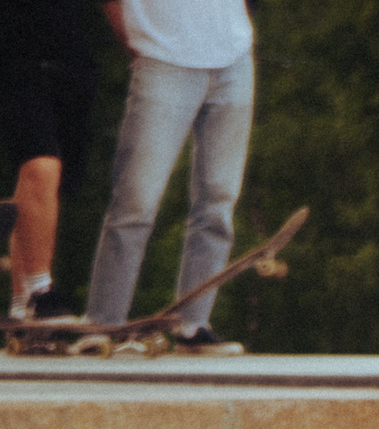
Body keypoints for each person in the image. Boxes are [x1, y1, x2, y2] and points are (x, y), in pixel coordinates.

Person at [84, 0, 253, 351]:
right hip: (163, 58)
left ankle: (194, 326)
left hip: (234, 59)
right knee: (137, 198)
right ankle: (104, 322)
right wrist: (133, 40)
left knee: (218, 201)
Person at [0, 0, 97, 324]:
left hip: (71, 63)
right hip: (12, 67)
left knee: (40, 183)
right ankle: (40, 292)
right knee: (41, 165)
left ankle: (20, 302)